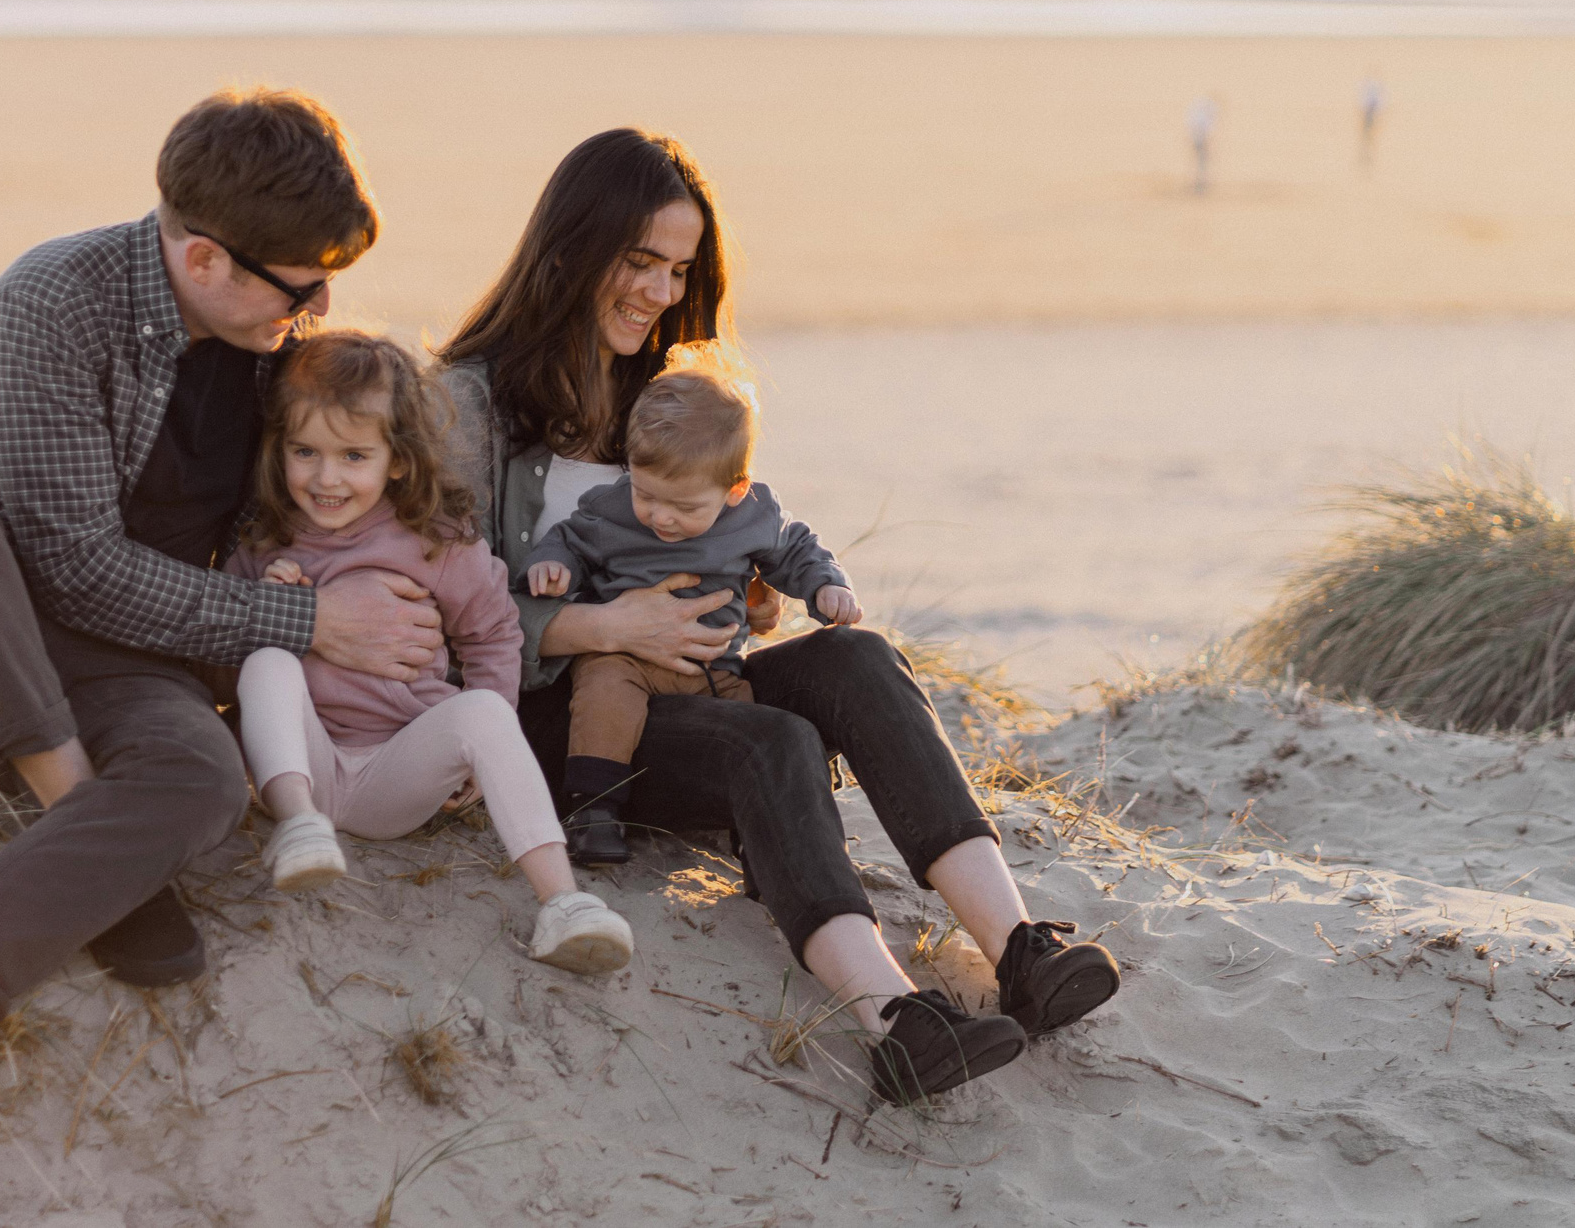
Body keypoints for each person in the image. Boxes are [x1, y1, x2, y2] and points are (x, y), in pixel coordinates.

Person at [0, 89, 447, 1228]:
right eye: (300, 284)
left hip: (128, 669)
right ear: (204, 257)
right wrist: (311, 628)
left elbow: (354, 473)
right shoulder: (53, 305)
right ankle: (78, 813)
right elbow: (71, 572)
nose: (318, 307)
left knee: (202, 777)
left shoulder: (281, 348)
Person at [440, 128, 1121, 1104]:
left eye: (677, 269)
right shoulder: (469, 405)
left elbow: (747, 538)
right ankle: (892, 1018)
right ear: (572, 247)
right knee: (768, 740)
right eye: (638, 262)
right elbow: (440, 611)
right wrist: (609, 628)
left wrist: (752, 596)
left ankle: (1018, 946)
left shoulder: (667, 394)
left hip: (697, 683)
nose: (659, 291)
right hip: (564, 721)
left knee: (858, 660)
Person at [223, 328, 634, 973]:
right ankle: (299, 828)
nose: (326, 478)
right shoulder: (266, 540)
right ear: (278, 451)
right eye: (305, 451)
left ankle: (563, 904)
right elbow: (227, 657)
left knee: (487, 714)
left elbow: (494, 635)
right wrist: (275, 611)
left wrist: (476, 751)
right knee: (268, 661)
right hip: (299, 764)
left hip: (397, 772)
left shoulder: (437, 540)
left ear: (400, 459)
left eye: (354, 456)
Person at [524, 363, 856, 867]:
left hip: (715, 668)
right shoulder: (610, 510)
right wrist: (551, 564)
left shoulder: (754, 514)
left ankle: (758, 831)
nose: (661, 517)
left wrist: (827, 586)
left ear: (735, 490)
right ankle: (593, 810)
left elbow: (795, 550)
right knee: (604, 698)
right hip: (625, 657)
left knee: (752, 719)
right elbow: (569, 539)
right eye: (646, 495)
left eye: (683, 507)